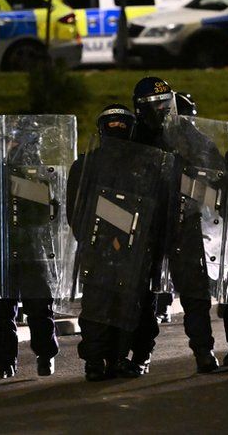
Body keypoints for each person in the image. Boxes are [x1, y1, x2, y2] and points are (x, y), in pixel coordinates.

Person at [67, 104, 174, 381]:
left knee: (115, 306)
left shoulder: (145, 164)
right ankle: (99, 359)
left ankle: (107, 359)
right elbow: (77, 211)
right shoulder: (87, 165)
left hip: (123, 250)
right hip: (112, 249)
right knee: (104, 306)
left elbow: (156, 210)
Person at [131, 76, 220, 374]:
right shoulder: (133, 136)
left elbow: (216, 172)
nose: (159, 110)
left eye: (164, 103)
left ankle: (204, 351)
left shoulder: (186, 133)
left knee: (194, 292)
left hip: (184, 221)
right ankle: (140, 354)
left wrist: (196, 186)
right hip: (145, 225)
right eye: (152, 105)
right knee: (141, 294)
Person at [0, 114, 70, 380]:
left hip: (33, 250)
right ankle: (5, 362)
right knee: (4, 309)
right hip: (7, 249)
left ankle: (41, 356)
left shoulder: (44, 176)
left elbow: (53, 215)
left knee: (35, 308)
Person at [155, 92, 197, 325]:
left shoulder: (196, 143)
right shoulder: (157, 139)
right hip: (160, 207)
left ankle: (167, 301)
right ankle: (161, 300)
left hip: (185, 211)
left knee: (184, 270)